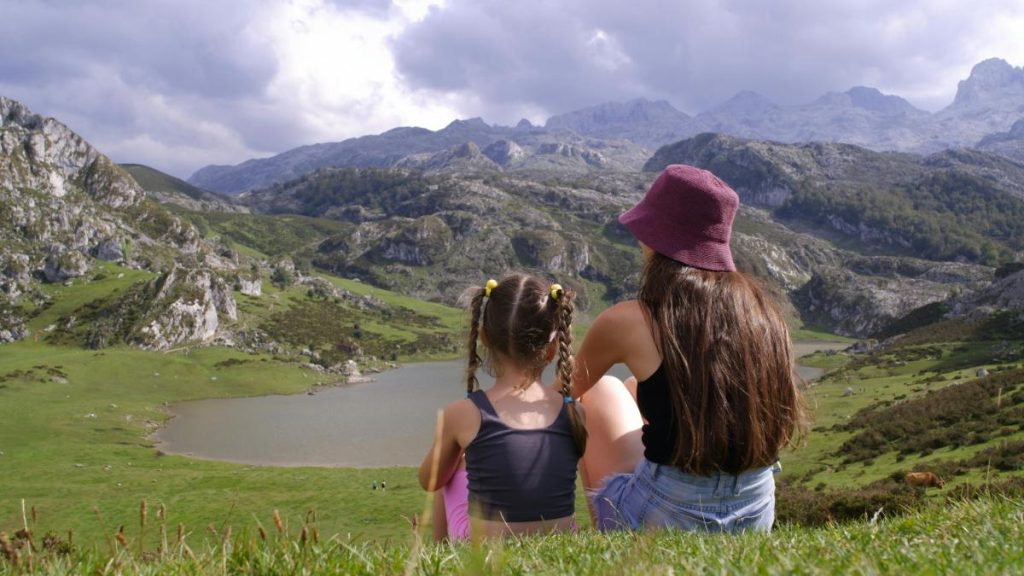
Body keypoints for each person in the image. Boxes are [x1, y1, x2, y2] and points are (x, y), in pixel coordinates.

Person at [573, 164, 805, 533]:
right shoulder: (763, 314)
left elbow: (564, 395)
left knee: (602, 390)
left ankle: (607, 541)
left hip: (666, 518)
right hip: (755, 514)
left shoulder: (631, 319)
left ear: (653, 236)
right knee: (635, 386)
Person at [418, 274, 587, 540]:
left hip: (484, 545)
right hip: (561, 538)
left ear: (484, 337)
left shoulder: (463, 413)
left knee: (451, 472)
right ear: (553, 348)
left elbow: (428, 481)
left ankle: (440, 553)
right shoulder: (574, 410)